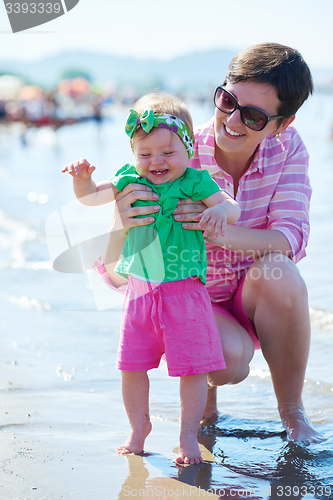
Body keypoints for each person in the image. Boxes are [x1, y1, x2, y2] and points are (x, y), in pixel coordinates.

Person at [93, 43, 325, 445]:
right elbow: (118, 269)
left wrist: (219, 230)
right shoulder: (174, 148)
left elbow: (290, 237)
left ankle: (293, 412)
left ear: (281, 124)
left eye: (253, 116)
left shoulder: (289, 148)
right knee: (229, 361)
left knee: (282, 273)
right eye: (227, 101)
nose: (232, 120)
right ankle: (206, 405)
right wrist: (121, 221)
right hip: (188, 294)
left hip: (253, 290)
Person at [62, 92, 241, 464]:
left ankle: (188, 436)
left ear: (189, 149)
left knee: (192, 369)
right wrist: (83, 179)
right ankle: (138, 427)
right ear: (134, 155)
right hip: (140, 293)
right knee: (132, 365)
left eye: (167, 152)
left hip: (185, 294)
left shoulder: (195, 181)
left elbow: (232, 207)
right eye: (145, 154)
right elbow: (91, 199)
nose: (156, 161)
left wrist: (218, 213)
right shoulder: (128, 178)